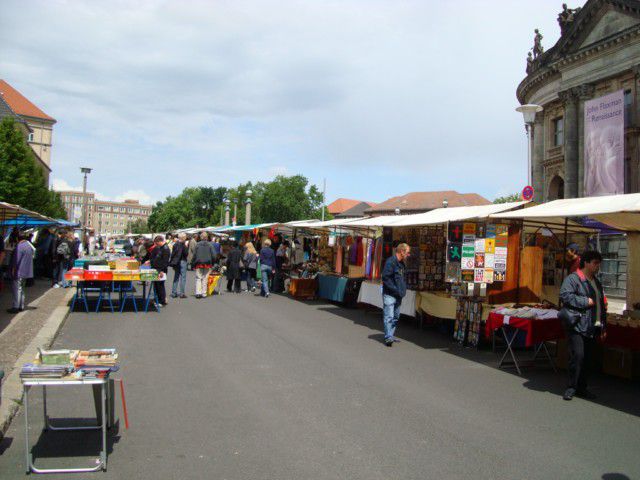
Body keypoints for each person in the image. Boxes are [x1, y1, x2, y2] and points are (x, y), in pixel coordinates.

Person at [559, 250, 607, 401]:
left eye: (599, 263)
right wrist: (585, 301)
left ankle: (582, 388)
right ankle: (571, 387)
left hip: (594, 325)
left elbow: (601, 305)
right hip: (578, 324)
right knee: (578, 356)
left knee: (588, 359)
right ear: (586, 262)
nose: (597, 266)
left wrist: (603, 326)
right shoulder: (573, 279)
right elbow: (565, 296)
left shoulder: (596, 282)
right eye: (595, 263)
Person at [381, 243, 410, 347]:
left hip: (398, 294)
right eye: (407, 252)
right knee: (389, 316)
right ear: (401, 252)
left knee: (396, 316)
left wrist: (402, 290)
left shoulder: (402, 264)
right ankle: (388, 337)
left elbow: (402, 278)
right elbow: (385, 278)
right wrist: (395, 289)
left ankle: (390, 335)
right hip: (390, 293)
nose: (408, 254)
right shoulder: (390, 262)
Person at [7, 231, 34, 313]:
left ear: (17, 238)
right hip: (26, 272)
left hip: (19, 271)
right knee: (22, 289)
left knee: (17, 289)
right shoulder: (28, 246)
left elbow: (16, 260)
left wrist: (12, 270)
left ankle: (15, 306)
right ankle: (21, 306)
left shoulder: (20, 247)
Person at [192, 232, 216, 298]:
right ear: (207, 237)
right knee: (205, 278)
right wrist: (213, 262)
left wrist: (193, 263)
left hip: (199, 263)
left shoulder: (197, 244)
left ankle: (198, 293)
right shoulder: (210, 245)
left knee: (198, 278)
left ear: (201, 237)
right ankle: (204, 293)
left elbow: (194, 255)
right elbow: (214, 255)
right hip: (208, 263)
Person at [149, 235, 170, 307]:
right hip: (157, 269)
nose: (156, 245)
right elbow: (158, 258)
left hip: (161, 270)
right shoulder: (162, 248)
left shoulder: (165, 248)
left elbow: (165, 261)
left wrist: (161, 271)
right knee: (157, 286)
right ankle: (157, 299)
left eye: (156, 243)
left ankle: (162, 301)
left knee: (160, 286)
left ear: (159, 241)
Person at [169, 232, 188, 298]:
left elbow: (173, 254)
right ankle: (182, 293)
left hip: (176, 262)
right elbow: (186, 253)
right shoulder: (183, 245)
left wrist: (172, 262)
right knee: (183, 278)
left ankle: (174, 292)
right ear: (184, 238)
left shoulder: (175, 244)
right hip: (183, 261)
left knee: (176, 277)